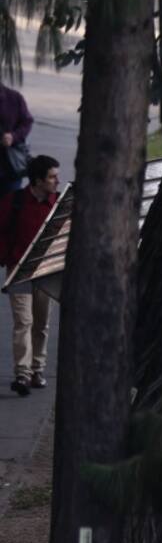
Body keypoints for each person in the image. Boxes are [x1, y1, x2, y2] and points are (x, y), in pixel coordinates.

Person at [2, 155, 59, 397]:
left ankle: (38, 370)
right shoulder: (13, 202)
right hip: (19, 270)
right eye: (52, 177)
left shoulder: (59, 204)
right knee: (23, 322)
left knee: (41, 323)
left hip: (46, 272)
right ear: (37, 181)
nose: (57, 181)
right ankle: (22, 374)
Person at [0, 81, 33, 194]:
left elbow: (27, 122)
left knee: (10, 203)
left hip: (10, 164)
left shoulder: (14, 98)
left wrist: (13, 136)